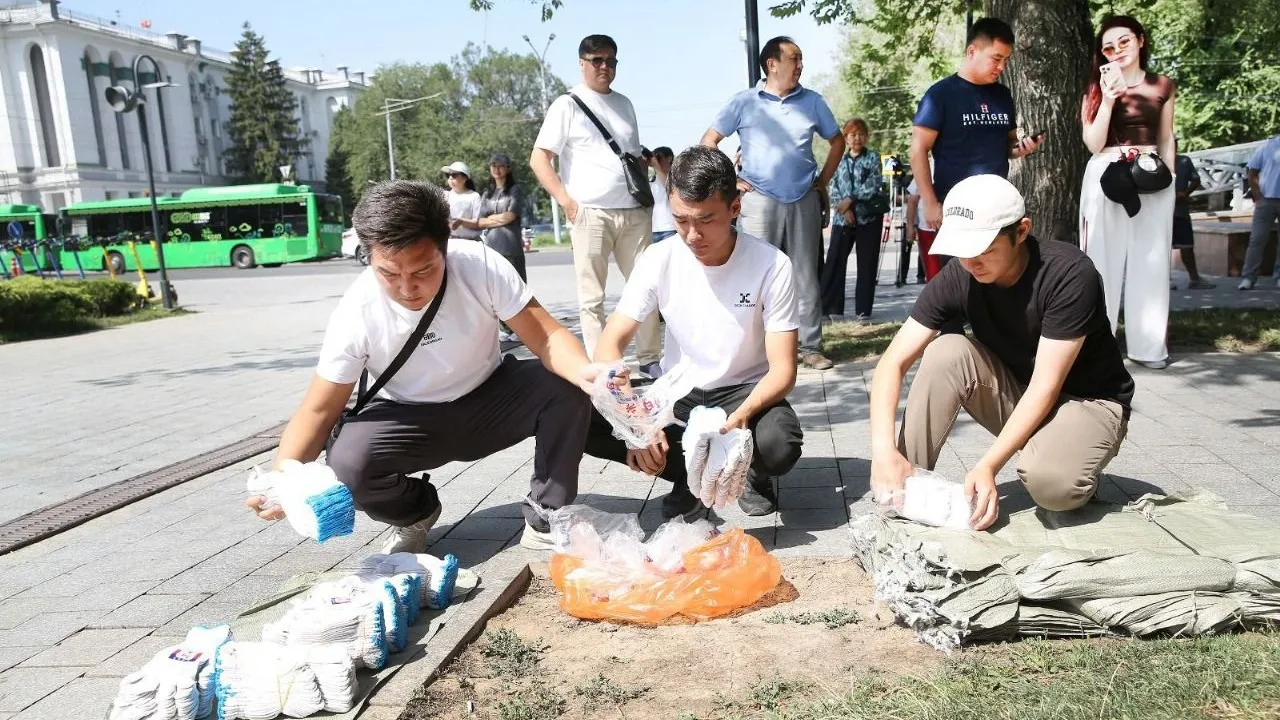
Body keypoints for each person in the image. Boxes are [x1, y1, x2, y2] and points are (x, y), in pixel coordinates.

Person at [245, 180, 609, 553]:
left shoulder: (480, 265)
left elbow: (547, 337)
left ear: (445, 247)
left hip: (490, 401)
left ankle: (547, 517)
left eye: (422, 271)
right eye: (389, 273)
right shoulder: (357, 312)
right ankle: (415, 512)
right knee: (347, 465)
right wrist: (281, 482)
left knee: (566, 387)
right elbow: (319, 410)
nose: (406, 288)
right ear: (368, 256)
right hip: (407, 421)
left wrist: (586, 372)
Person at [868, 175, 1134, 531]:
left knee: (1053, 487)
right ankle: (905, 483)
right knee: (947, 350)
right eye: (962, 250)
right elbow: (892, 363)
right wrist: (884, 452)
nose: (971, 263)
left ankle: (1066, 460)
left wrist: (987, 466)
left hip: (1089, 402)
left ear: (1022, 231)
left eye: (985, 250)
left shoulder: (1069, 274)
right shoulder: (960, 274)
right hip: (1020, 392)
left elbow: (1046, 387)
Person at [584, 146, 805, 518]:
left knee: (779, 443)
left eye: (705, 220)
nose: (691, 235)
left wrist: (744, 416)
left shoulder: (772, 265)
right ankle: (689, 477)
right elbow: (610, 343)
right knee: (578, 416)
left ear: (735, 208)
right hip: (680, 391)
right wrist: (635, 424)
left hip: (743, 390)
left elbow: (783, 370)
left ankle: (752, 472)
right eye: (680, 220)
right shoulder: (659, 258)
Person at [700, 36, 845, 371]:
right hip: (759, 201)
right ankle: (756, 352)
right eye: (794, 58)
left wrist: (821, 182)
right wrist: (730, 181)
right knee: (755, 273)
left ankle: (811, 347)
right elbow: (709, 142)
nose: (800, 66)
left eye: (801, 59)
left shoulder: (812, 101)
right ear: (772, 64)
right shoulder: (744, 102)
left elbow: (836, 142)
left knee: (805, 274)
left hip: (803, 199)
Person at [531, 34, 662, 377]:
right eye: (597, 60)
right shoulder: (568, 104)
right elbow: (539, 158)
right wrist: (566, 201)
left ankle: (650, 359)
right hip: (590, 212)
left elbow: (631, 156)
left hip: (633, 211)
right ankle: (603, 365)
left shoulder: (625, 104)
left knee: (646, 289)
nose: (605, 67)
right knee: (592, 297)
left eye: (611, 61)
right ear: (582, 63)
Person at [1079, 15, 1176, 369]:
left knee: (1150, 261)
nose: (1117, 50)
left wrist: (1171, 181)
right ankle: (1097, 349)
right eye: (1108, 46)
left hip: (1150, 174)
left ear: (1140, 40)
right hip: (1107, 172)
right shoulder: (1095, 88)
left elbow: (1166, 138)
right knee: (1100, 261)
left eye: (1124, 41)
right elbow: (1092, 143)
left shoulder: (1163, 85)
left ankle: (1149, 348)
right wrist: (1108, 99)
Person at [910, 18, 1044, 234]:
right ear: (972, 52)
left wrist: (1022, 148)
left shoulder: (1003, 95)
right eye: (996, 58)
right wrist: (930, 202)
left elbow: (1007, 146)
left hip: (997, 207)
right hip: (955, 208)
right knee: (959, 269)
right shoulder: (940, 95)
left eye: (1007, 60)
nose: (1002, 67)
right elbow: (918, 149)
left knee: (999, 268)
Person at [822, 118, 887, 321]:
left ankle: (863, 311)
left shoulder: (873, 158)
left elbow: (873, 184)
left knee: (867, 263)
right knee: (834, 261)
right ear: (846, 138)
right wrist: (843, 208)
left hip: (868, 218)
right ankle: (832, 308)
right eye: (852, 135)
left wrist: (851, 200)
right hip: (843, 219)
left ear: (866, 136)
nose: (856, 138)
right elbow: (833, 187)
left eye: (860, 134)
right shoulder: (839, 161)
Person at [453, 152, 528, 283]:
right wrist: (501, 218)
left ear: (508, 168)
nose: (496, 169)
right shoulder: (487, 193)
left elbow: (510, 216)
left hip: (511, 248)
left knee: (517, 286)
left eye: (501, 166)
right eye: (493, 165)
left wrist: (491, 219)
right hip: (492, 249)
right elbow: (480, 221)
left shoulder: (515, 190)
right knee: (496, 288)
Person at [1239, 133, 1280, 290]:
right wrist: (1257, 195)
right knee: (1257, 239)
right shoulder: (1268, 146)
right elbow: (1252, 171)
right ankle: (1248, 277)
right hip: (1266, 200)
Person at [1173, 144, 1214, 290]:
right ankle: (1165, 279)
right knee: (1163, 247)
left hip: (1181, 211)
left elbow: (1196, 180)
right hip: (1162, 213)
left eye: (1175, 142)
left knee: (1187, 246)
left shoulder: (1184, 161)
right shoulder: (1155, 161)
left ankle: (1194, 278)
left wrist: (1185, 193)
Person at [905, 176, 943, 282]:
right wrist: (910, 226)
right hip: (928, 229)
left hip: (952, 229)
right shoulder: (925, 166)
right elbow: (912, 200)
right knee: (933, 276)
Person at [442, 161, 483, 241]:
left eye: (454, 175)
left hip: (471, 241)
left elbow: (477, 223)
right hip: (450, 241)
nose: (450, 178)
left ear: (465, 178)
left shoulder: (474, 196)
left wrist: (461, 222)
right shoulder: (445, 195)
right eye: (448, 175)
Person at [649, 146, 677, 243]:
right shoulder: (652, 179)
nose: (656, 160)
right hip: (653, 229)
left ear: (669, 158)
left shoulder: (676, 176)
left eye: (659, 157)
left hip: (670, 228)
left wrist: (656, 166)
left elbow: (668, 187)